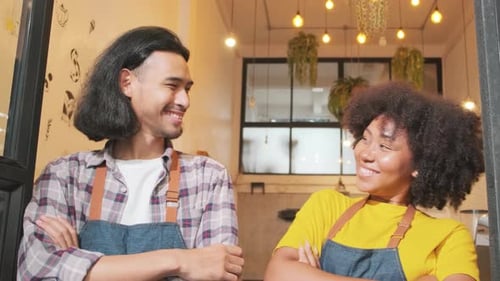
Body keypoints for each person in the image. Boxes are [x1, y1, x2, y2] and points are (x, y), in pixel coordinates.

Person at [17, 26, 243, 281]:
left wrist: (81, 264)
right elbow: (35, 272)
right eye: (172, 85)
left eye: (187, 88)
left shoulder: (208, 177)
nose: (185, 101)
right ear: (127, 83)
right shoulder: (65, 175)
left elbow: (219, 274)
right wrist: (179, 260)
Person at [264, 82, 484, 281]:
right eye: (365, 139)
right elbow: (278, 273)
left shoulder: (448, 235)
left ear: (420, 165)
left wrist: (316, 275)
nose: (364, 154)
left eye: (385, 146)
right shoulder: (326, 206)